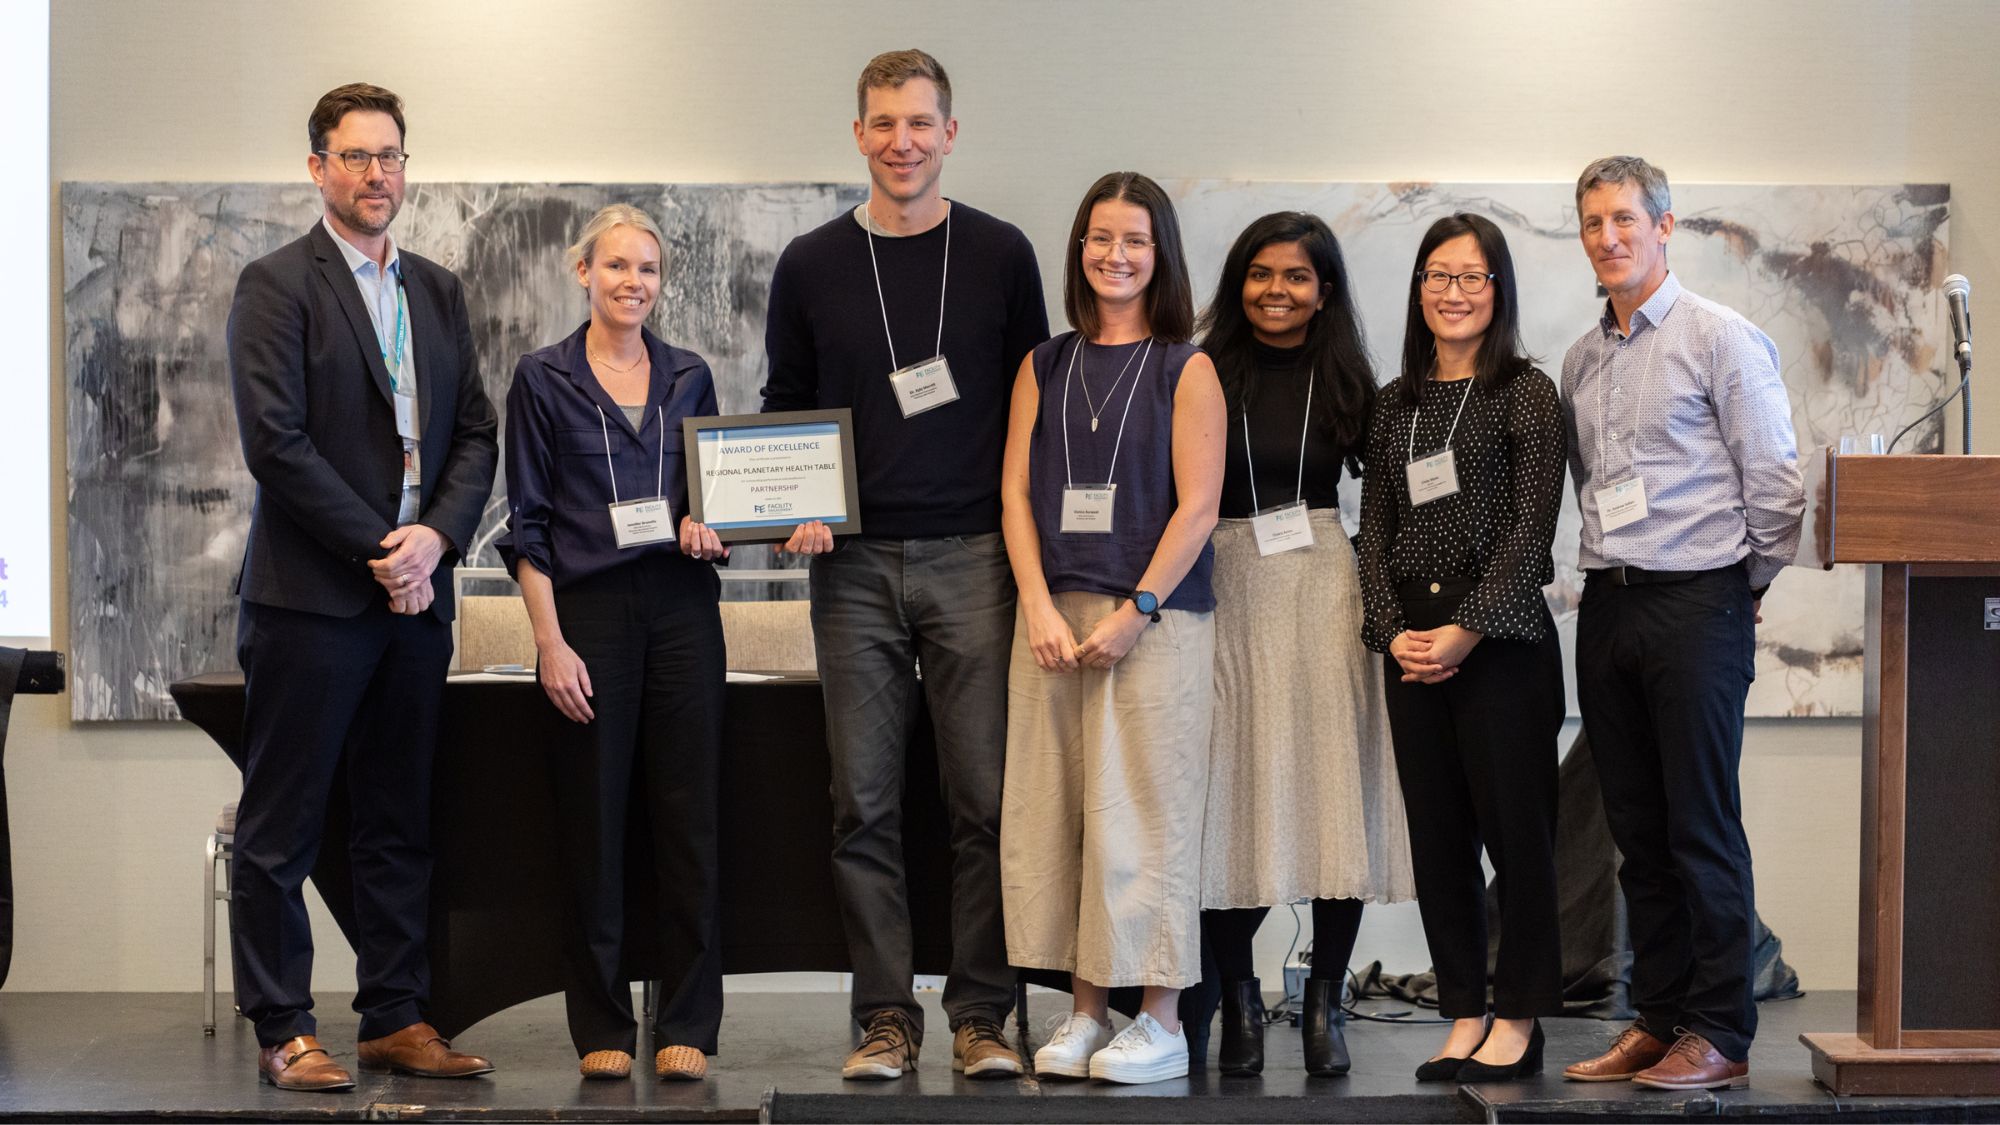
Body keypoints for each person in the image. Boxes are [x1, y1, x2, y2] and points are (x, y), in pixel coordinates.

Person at [759, 48, 1048, 1080]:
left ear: (949, 134)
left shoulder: (1002, 254)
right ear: (857, 135)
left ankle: (981, 1018)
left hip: (976, 556)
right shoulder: (809, 263)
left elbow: (1035, 405)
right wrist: (794, 507)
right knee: (862, 804)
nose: (901, 142)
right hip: (852, 567)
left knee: (983, 801)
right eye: (882, 123)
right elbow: (786, 402)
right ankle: (884, 1019)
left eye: (919, 123)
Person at [225, 82, 497, 1092]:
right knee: (282, 827)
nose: (376, 173)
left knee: (398, 821)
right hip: (313, 602)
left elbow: (473, 433)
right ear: (317, 168)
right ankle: (283, 1025)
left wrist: (435, 539)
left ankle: (394, 1014)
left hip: (416, 606)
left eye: (390, 156)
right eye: (354, 156)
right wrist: (383, 545)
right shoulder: (275, 285)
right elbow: (276, 445)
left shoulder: (436, 289)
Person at [1558, 156, 1803, 1092]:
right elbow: (1590, 486)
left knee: (1702, 827)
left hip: (1699, 601)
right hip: (1610, 603)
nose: (1609, 237)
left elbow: (1776, 490)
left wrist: (1742, 588)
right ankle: (1656, 1020)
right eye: (1592, 223)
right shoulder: (1584, 358)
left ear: (1666, 226)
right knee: (1636, 833)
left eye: (1625, 219)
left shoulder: (1720, 338)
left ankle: (1720, 1030)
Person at [1000, 171, 1225, 1086]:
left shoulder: (1188, 367)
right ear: (1079, 248)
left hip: (1156, 623)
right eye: (1100, 237)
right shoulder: (1044, 364)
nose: (1115, 255)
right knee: (1065, 817)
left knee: (1149, 816)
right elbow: (1014, 494)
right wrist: (1038, 605)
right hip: (1053, 621)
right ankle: (1088, 1012)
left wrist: (1137, 611)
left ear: (1160, 253)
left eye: (1134, 239)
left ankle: (1161, 1017)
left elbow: (1200, 506)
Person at [501, 204, 728, 1082]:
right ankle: (599, 1017)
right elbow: (529, 524)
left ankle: (689, 1021)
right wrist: (549, 642)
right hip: (587, 616)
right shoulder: (542, 378)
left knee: (690, 820)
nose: (634, 281)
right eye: (617, 266)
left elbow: (705, 499)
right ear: (582, 272)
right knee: (592, 822)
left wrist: (709, 527)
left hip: (680, 609)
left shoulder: (688, 376)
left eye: (649, 269)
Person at [1194, 211, 1415, 1077]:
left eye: (1295, 276)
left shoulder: (1352, 377)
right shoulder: (1202, 370)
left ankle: (1326, 998)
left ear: (1325, 289)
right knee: (1228, 801)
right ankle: (1239, 1003)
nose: (1275, 291)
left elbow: (1398, 503)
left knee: (1332, 797)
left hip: (1326, 587)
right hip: (1226, 586)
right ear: (1236, 280)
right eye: (1259, 273)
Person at [1355, 213, 1567, 1084]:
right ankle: (1463, 1012)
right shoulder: (1394, 402)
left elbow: (1532, 528)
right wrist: (1391, 630)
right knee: (1439, 841)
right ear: (1418, 290)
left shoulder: (1525, 391)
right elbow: (1372, 533)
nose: (1453, 292)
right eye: (1438, 276)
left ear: (1498, 289)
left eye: (1471, 277)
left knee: (1518, 837)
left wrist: (1465, 629)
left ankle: (1518, 1018)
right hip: (1411, 647)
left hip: (1502, 645)